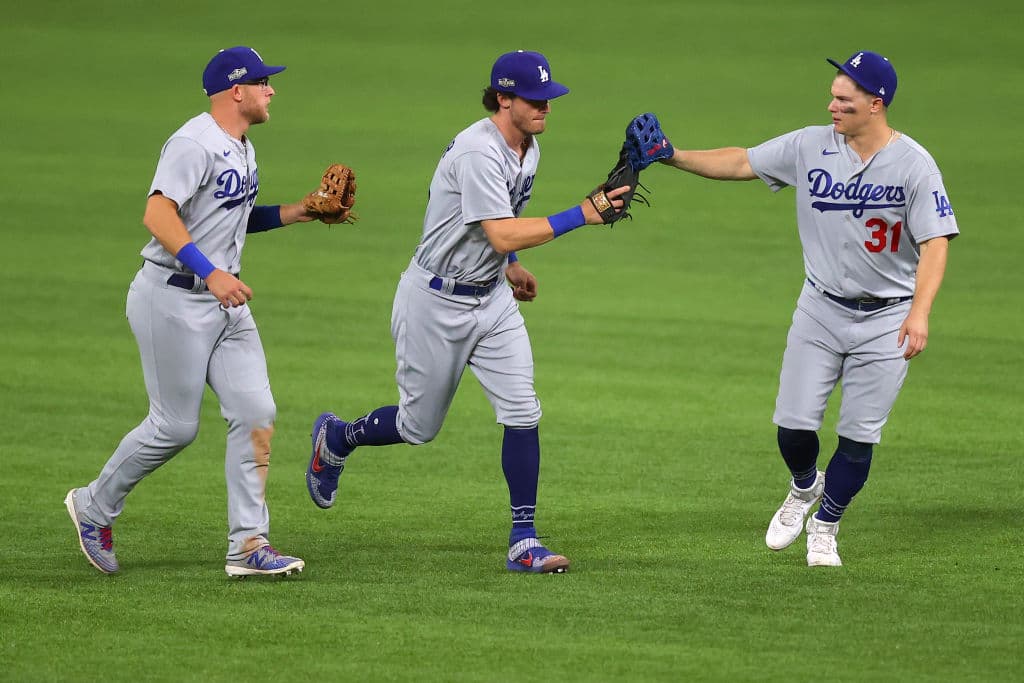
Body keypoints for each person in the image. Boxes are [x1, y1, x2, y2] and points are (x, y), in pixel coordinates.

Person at [305, 50, 629, 573]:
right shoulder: (479, 152)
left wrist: (511, 266)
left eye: (548, 97)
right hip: (434, 302)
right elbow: (500, 231)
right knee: (417, 427)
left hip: (492, 301)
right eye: (534, 99)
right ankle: (338, 437)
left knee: (523, 411)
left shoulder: (527, 147)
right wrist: (581, 214)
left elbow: (500, 225)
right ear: (504, 99)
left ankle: (524, 541)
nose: (546, 106)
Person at [659, 51, 959, 566]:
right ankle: (803, 488)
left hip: (888, 318)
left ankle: (826, 524)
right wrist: (673, 156)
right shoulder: (809, 145)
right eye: (832, 96)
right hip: (820, 308)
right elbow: (743, 161)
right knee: (793, 427)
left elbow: (935, 242)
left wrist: (920, 311)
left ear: (876, 103)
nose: (831, 106)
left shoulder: (914, 165)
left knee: (858, 438)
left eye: (843, 99)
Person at [65, 46, 325, 577]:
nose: (271, 90)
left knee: (256, 413)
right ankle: (93, 505)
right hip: (172, 297)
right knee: (174, 427)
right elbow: (157, 214)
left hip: (225, 302)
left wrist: (299, 211)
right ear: (237, 90)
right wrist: (211, 272)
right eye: (263, 82)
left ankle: (248, 545)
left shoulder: (243, 146)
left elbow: (231, 216)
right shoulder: (193, 143)